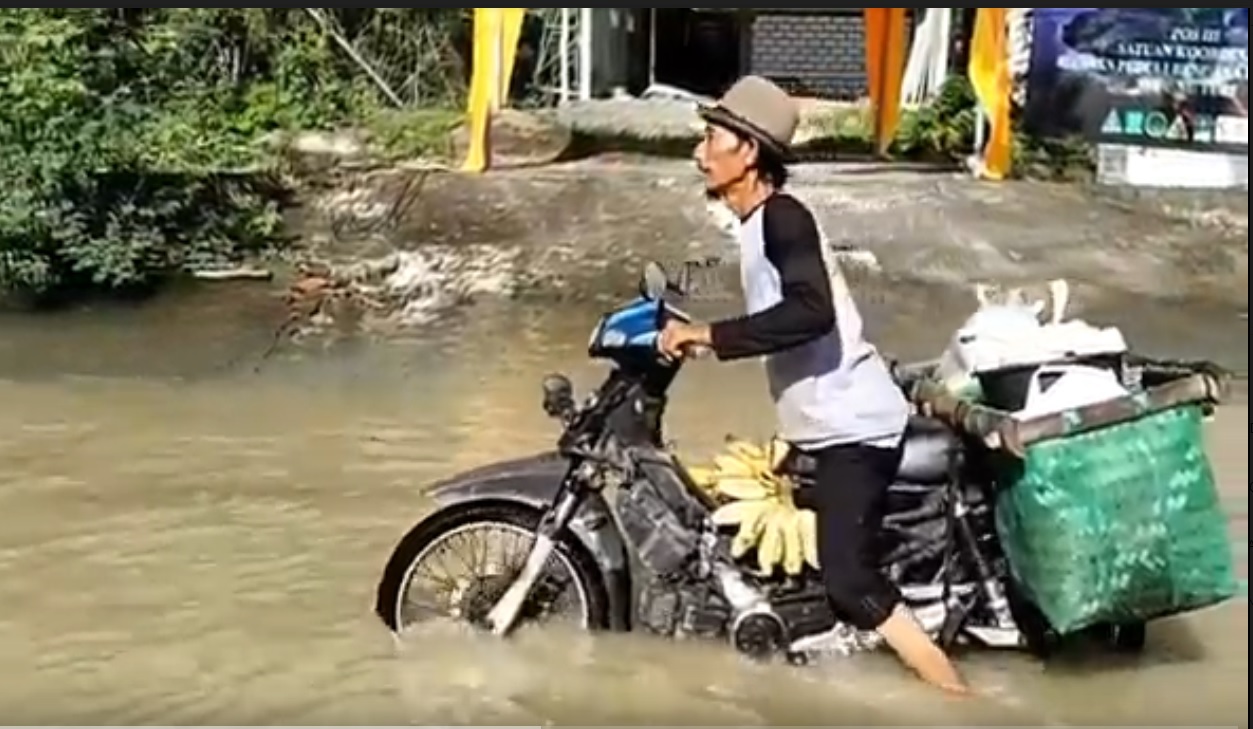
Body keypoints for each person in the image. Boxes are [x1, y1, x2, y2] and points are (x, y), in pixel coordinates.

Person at [658, 76, 968, 694]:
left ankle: (958, 698)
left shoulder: (784, 218)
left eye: (712, 137)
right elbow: (772, 312)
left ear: (747, 151)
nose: (701, 150)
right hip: (825, 423)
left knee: (850, 581)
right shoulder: (755, 225)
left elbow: (809, 312)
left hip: (855, 426)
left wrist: (709, 336)